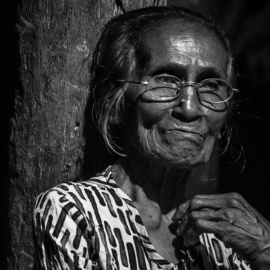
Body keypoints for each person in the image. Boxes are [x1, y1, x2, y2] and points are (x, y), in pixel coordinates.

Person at [33, 6, 270, 270]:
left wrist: (265, 251)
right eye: (166, 81)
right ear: (116, 103)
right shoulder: (77, 211)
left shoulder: (224, 237)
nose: (190, 108)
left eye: (211, 86)